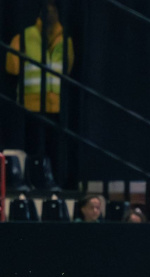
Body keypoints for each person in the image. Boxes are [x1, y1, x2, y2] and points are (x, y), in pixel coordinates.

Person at [5, 0, 74, 184]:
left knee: (51, 146)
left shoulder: (64, 38)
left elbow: (68, 66)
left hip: (55, 102)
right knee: (36, 145)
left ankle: (51, 181)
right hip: (32, 102)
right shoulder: (25, 36)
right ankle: (36, 180)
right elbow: (12, 66)